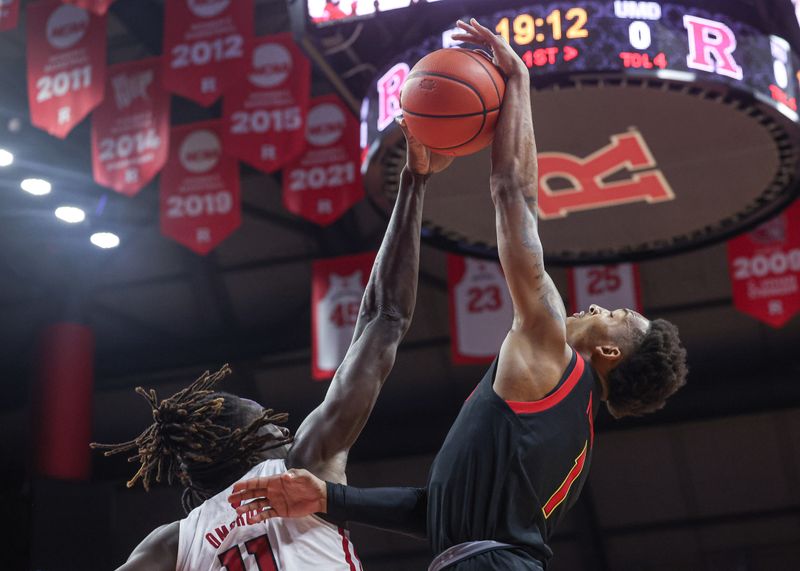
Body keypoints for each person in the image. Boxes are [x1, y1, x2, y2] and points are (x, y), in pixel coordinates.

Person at [227, 19, 688, 571]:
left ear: (610, 354)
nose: (595, 306)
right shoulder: (575, 436)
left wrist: (516, 83)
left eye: (614, 315)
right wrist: (329, 498)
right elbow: (435, 511)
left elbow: (513, 194)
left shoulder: (551, 353)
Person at [90, 117, 453, 571]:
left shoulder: (170, 543)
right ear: (250, 445)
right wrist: (414, 182)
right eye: (268, 424)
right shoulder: (303, 468)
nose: (284, 429)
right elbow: (386, 317)